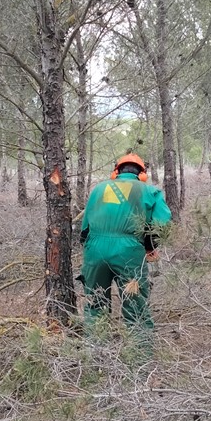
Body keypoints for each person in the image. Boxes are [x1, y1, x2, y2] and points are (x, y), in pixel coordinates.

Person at [80, 152, 172, 354]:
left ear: (116, 172)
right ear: (142, 174)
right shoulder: (150, 191)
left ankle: (94, 356)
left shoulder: (99, 189)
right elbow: (162, 226)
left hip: (94, 250)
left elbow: (84, 229)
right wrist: (149, 247)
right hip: (129, 252)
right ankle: (140, 361)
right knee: (135, 306)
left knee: (95, 304)